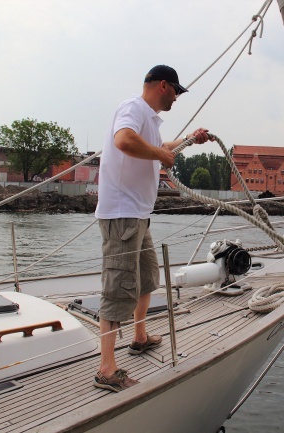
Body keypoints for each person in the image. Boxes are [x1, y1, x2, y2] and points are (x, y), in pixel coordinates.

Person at [94, 64, 213, 392]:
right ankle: (106, 368)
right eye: (177, 91)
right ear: (164, 86)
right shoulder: (133, 108)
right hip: (122, 215)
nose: (177, 97)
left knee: (147, 278)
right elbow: (124, 140)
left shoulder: (148, 118)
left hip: (138, 215)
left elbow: (156, 148)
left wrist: (188, 140)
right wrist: (159, 152)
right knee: (118, 287)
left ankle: (139, 336)